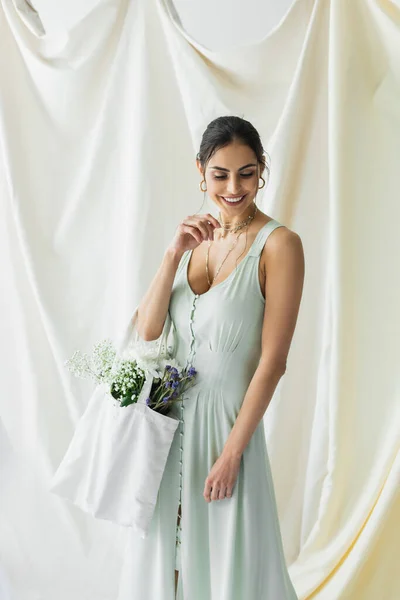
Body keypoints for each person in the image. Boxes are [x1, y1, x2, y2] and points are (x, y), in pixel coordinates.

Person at [117, 116, 304, 600]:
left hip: (225, 429)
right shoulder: (192, 239)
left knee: (229, 563)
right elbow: (149, 331)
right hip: (167, 427)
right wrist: (172, 253)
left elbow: (273, 361)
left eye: (246, 172)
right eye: (220, 174)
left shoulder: (279, 245)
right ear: (201, 171)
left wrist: (232, 454)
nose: (233, 186)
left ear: (262, 170)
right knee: (168, 561)